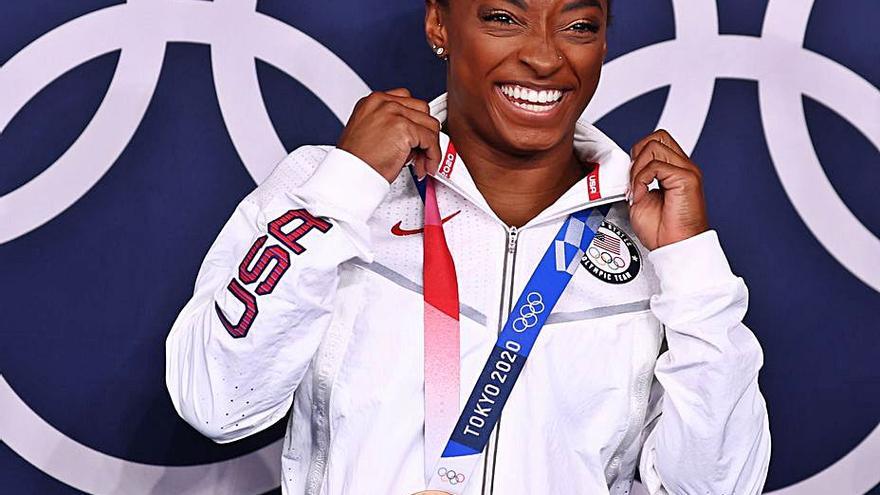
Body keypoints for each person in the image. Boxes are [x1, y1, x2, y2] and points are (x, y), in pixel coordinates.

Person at [165, 0, 771, 493]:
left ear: (604, 42)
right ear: (439, 24)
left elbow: (716, 487)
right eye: (503, 17)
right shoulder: (330, 188)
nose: (543, 55)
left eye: (579, 24)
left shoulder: (654, 237)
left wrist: (691, 268)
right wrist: (346, 185)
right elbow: (216, 402)